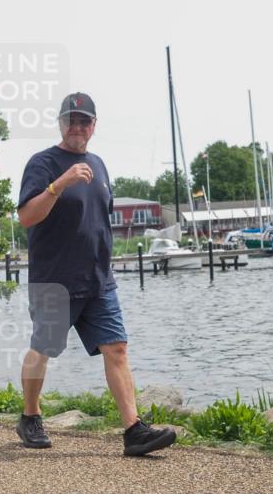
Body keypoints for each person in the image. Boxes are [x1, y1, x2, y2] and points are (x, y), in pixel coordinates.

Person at [16, 93, 176, 457]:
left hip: (99, 281)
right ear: (60, 123)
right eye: (71, 120)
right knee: (44, 349)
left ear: (94, 126)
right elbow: (26, 217)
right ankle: (30, 416)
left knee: (116, 348)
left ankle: (133, 431)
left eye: (84, 121)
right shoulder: (43, 163)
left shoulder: (99, 165)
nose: (77, 127)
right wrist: (59, 184)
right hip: (55, 281)